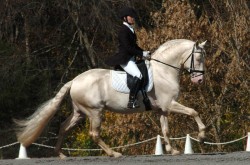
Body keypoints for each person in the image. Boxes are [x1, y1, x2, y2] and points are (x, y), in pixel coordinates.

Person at [105, 7, 150, 109]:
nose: (133, 18)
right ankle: (131, 101)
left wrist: (144, 52)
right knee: (138, 75)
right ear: (125, 18)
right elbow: (128, 48)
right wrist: (141, 54)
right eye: (131, 17)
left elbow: (134, 46)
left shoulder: (130, 30)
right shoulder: (123, 31)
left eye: (133, 17)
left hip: (131, 58)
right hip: (125, 59)